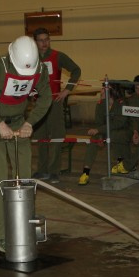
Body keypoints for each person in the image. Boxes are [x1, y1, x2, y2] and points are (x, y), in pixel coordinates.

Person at [0, 35, 51, 253]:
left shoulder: (40, 70)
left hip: (18, 123)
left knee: (25, 180)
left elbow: (46, 97)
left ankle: (25, 228)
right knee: (1, 182)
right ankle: (3, 235)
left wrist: (30, 123)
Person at [31, 27, 81, 183]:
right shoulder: (31, 58)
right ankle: (42, 170)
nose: (44, 43)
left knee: (56, 137)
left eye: (46, 39)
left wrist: (67, 90)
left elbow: (76, 70)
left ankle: (54, 171)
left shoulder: (58, 56)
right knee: (40, 137)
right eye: (41, 40)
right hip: (39, 103)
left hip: (55, 102)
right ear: (35, 42)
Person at [78, 82, 129, 185]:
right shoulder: (101, 104)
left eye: (104, 89)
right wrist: (100, 136)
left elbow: (119, 123)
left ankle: (120, 162)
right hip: (104, 130)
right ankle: (85, 172)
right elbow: (99, 122)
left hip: (121, 130)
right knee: (93, 140)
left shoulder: (121, 103)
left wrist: (99, 130)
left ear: (112, 92)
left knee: (114, 135)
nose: (101, 91)